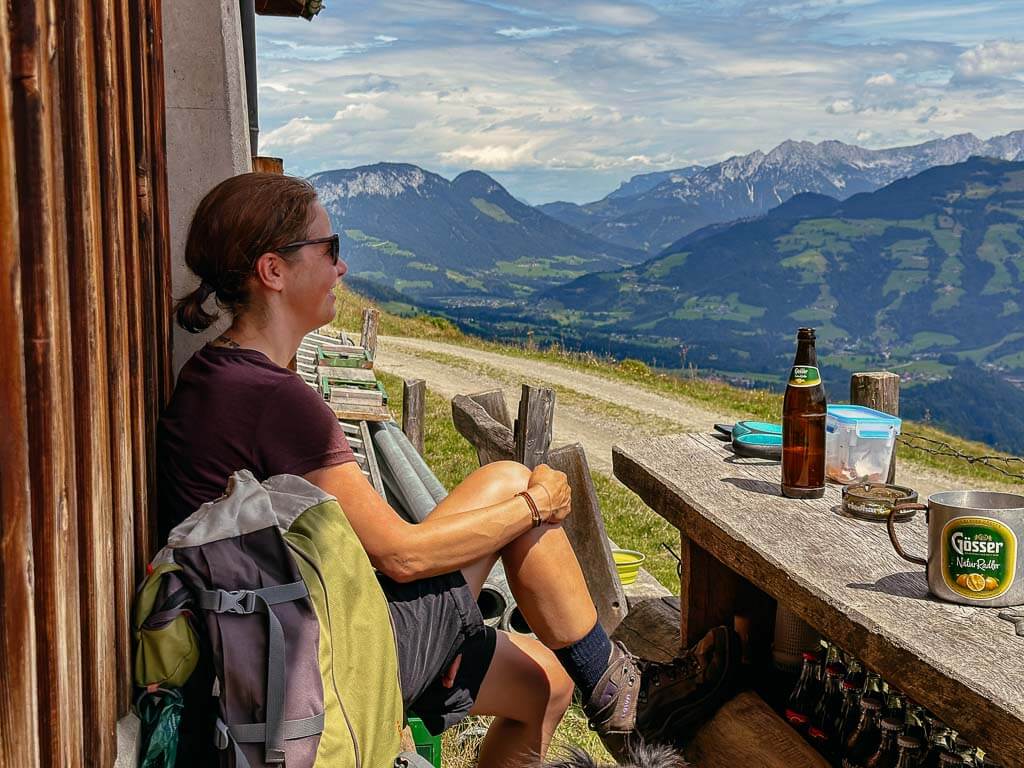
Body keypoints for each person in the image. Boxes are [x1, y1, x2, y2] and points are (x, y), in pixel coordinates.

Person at [157, 173, 733, 767]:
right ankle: (622, 693)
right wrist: (534, 508)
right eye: (329, 249)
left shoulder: (216, 374)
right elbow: (401, 555)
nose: (342, 268)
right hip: (323, 656)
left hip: (276, 636)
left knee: (545, 689)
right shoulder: (272, 398)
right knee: (512, 484)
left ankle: (609, 684)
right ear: (273, 271)